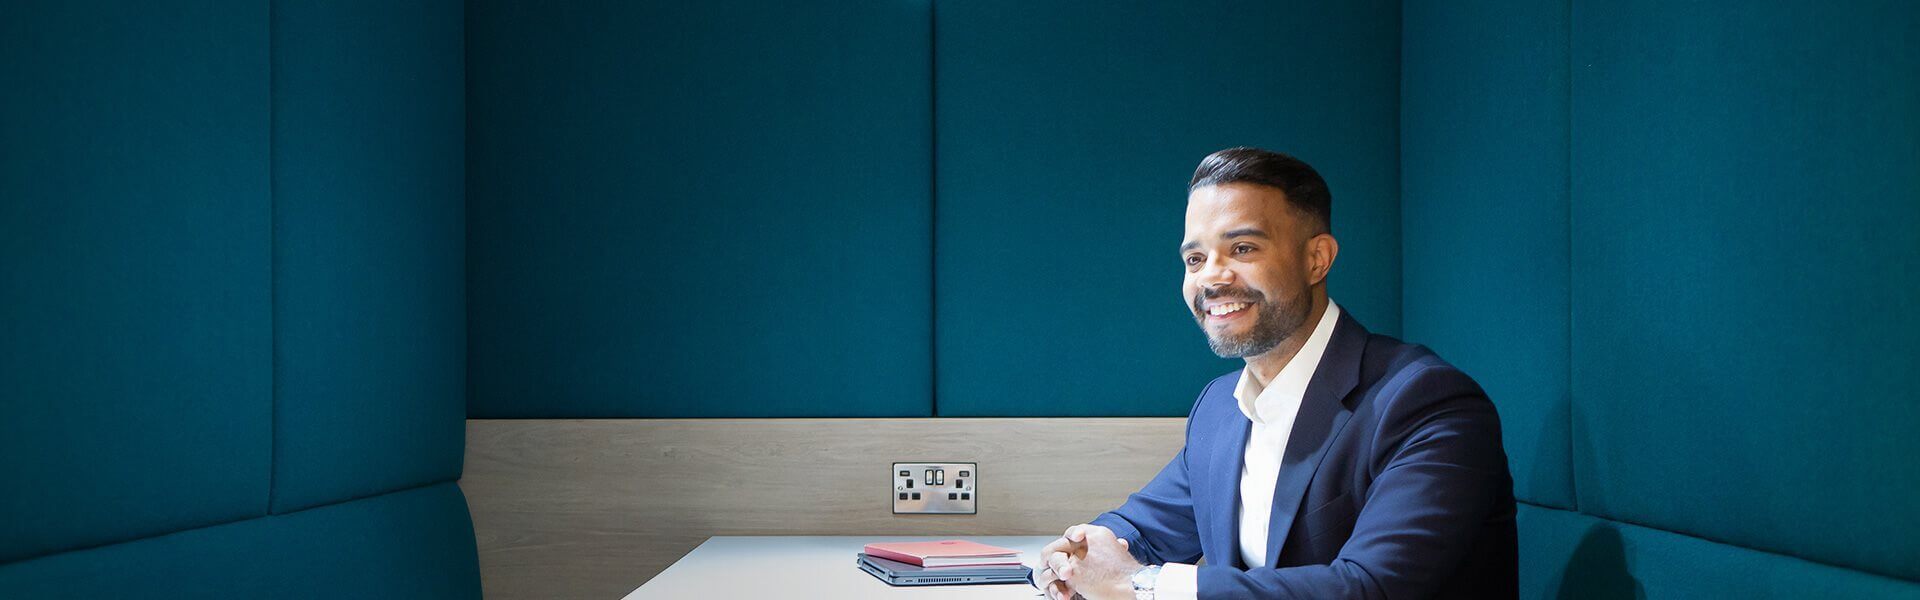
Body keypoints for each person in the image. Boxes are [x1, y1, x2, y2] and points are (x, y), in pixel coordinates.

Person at [1033, 148, 1517, 600]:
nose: (1212, 277)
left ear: (1316, 259)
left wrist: (1143, 584)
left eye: (1242, 249)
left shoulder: (1425, 402)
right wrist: (1075, 556)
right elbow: (1141, 530)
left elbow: (1372, 587)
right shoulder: (1220, 407)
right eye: (1195, 259)